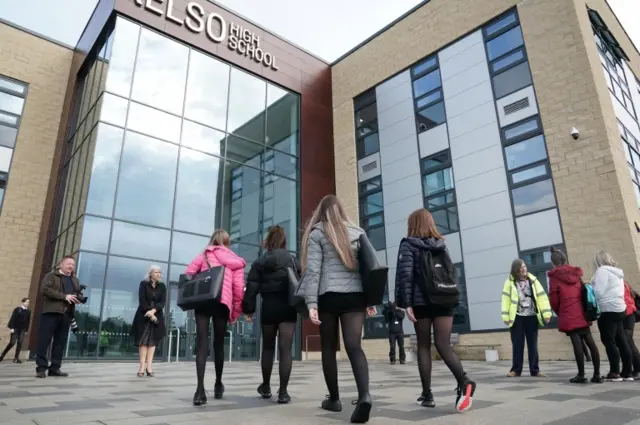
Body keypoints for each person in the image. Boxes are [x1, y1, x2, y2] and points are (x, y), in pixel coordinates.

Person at [298, 194, 376, 424]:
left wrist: (311, 303)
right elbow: (369, 268)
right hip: (355, 298)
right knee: (354, 346)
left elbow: (313, 271)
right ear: (341, 210)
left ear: (320, 212)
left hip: (329, 298)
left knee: (329, 349)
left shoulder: (317, 233)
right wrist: (370, 300)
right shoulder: (357, 231)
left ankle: (334, 399)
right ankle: (364, 395)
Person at [395, 208, 476, 412]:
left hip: (422, 302)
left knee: (423, 346)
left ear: (412, 224)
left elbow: (405, 276)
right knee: (443, 344)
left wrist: (405, 303)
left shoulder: (408, 244)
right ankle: (463, 380)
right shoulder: (441, 245)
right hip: (444, 299)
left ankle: (428, 395)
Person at [185, 229, 246, 406]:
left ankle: (199, 390)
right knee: (218, 344)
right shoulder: (235, 262)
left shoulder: (204, 255)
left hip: (203, 300)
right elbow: (238, 289)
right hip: (222, 303)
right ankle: (218, 384)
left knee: (202, 343)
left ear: (212, 240)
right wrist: (235, 313)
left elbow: (188, 274)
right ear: (227, 243)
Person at [243, 225, 299, 404]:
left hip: (268, 308)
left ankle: (266, 386)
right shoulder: (292, 259)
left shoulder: (260, 262)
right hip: (288, 308)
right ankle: (283, 392)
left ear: (269, 240)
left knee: (267, 348)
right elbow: (303, 282)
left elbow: (251, 287)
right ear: (283, 240)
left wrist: (248, 310)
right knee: (285, 350)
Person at [547, 247, 601, 383]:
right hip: (582, 312)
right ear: (565, 259)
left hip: (568, 312)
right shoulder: (575, 273)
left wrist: (560, 312)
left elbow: (554, 299)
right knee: (591, 343)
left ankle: (581, 375)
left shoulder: (554, 277)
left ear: (553, 263)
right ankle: (597, 375)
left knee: (576, 343)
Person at [501, 258, 552, 378]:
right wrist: (505, 316)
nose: (524, 269)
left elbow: (542, 297)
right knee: (517, 344)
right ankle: (516, 370)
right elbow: (506, 299)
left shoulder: (533, 280)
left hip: (532, 316)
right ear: (516, 270)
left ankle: (535, 370)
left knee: (533, 344)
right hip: (517, 317)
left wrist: (546, 314)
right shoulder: (509, 282)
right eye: (521, 267)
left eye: (524, 266)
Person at [35, 256, 80, 378]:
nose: (71, 266)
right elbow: (45, 289)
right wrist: (64, 296)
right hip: (50, 313)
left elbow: (77, 293)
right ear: (61, 264)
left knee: (60, 342)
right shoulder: (51, 276)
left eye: (73, 265)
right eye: (69, 264)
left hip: (66, 315)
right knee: (44, 341)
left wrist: (79, 298)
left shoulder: (74, 280)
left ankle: (55, 368)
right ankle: (41, 368)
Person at [591, 250, 633, 381]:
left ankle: (614, 372)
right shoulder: (617, 273)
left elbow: (598, 292)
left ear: (598, 261)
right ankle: (627, 372)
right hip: (620, 308)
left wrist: (591, 287)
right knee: (621, 340)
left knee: (609, 340)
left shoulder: (602, 271)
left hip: (607, 309)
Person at [132, 265, 167, 377]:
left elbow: (162, 302)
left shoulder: (162, 286)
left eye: (159, 272)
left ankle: (150, 366)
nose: (158, 274)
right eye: (156, 272)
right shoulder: (143, 284)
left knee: (153, 342)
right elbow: (142, 300)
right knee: (143, 341)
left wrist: (153, 311)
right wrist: (149, 312)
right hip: (143, 315)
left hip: (156, 316)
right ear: (150, 273)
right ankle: (142, 366)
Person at [0, 297, 31, 363]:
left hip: (22, 329)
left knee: (20, 342)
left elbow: (28, 321)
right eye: (26, 302)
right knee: (12, 342)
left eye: (28, 302)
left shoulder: (28, 311)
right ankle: (2, 356)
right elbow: (13, 318)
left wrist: (26, 330)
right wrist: (11, 328)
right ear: (23, 302)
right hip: (15, 329)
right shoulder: (17, 309)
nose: (27, 303)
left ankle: (16, 358)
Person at [622, 280, 640, 377]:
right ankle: (636, 368)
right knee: (629, 342)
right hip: (629, 315)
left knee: (627, 342)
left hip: (627, 315)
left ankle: (634, 368)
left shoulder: (620, 284)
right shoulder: (625, 283)